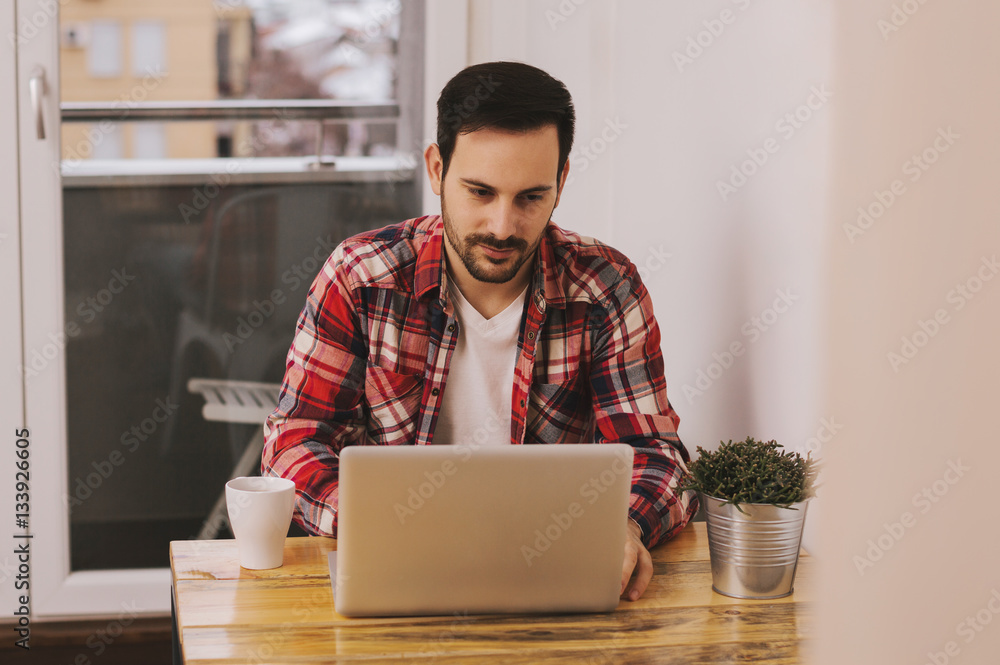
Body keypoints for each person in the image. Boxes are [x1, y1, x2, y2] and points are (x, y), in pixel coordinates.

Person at [262, 61, 697, 601]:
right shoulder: (361, 277)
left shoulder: (606, 289)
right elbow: (294, 438)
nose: (502, 226)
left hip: (552, 579)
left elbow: (656, 453)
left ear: (561, 182)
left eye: (530, 197)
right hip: (395, 577)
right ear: (437, 169)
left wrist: (626, 525)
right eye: (480, 192)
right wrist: (365, 524)